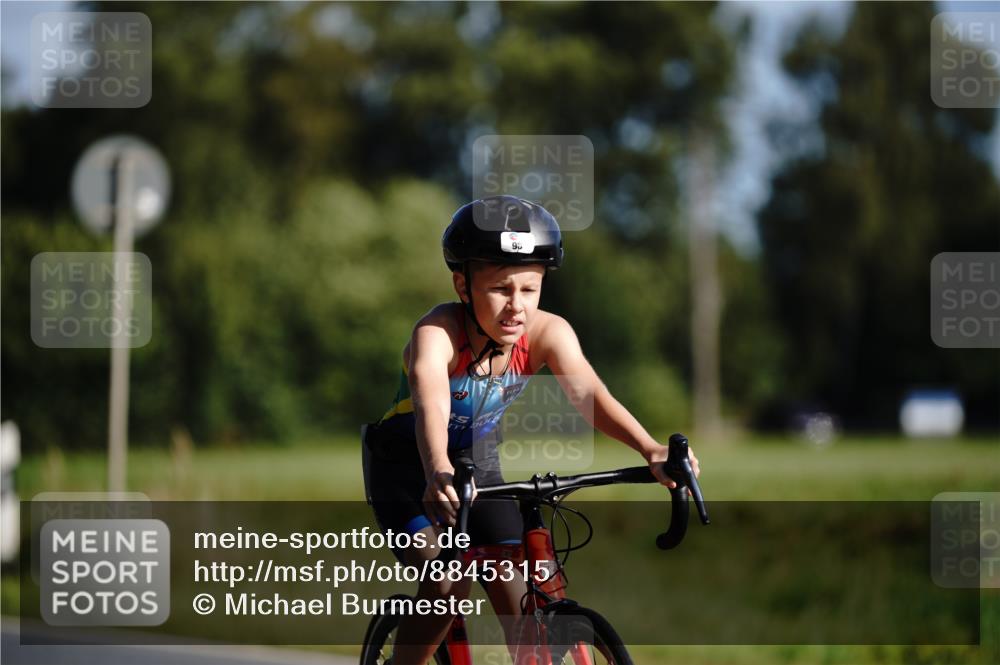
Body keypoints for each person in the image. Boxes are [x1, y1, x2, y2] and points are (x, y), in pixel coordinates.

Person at [362, 195, 700, 664]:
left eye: (529, 289)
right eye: (501, 288)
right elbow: (432, 404)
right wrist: (436, 466)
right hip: (405, 467)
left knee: (514, 586)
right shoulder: (437, 333)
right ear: (463, 285)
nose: (516, 307)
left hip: (477, 464)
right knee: (446, 582)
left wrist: (649, 449)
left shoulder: (547, 333)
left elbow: (590, 395)